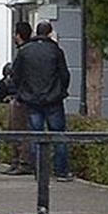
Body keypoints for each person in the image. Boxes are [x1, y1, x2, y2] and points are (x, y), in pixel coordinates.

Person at [12, 21, 73, 182]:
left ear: (35, 32)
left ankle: (39, 172)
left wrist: (22, 92)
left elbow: (16, 74)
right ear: (50, 33)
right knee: (58, 135)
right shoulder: (56, 51)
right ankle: (61, 171)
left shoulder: (25, 51)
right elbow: (64, 74)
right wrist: (61, 91)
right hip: (53, 99)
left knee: (36, 136)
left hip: (32, 99)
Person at [1, 23, 33, 176]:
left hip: (22, 97)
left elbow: (17, 75)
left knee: (18, 130)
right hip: (30, 95)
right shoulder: (29, 50)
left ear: (18, 35)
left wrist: (16, 92)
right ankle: (19, 161)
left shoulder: (23, 52)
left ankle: (21, 162)